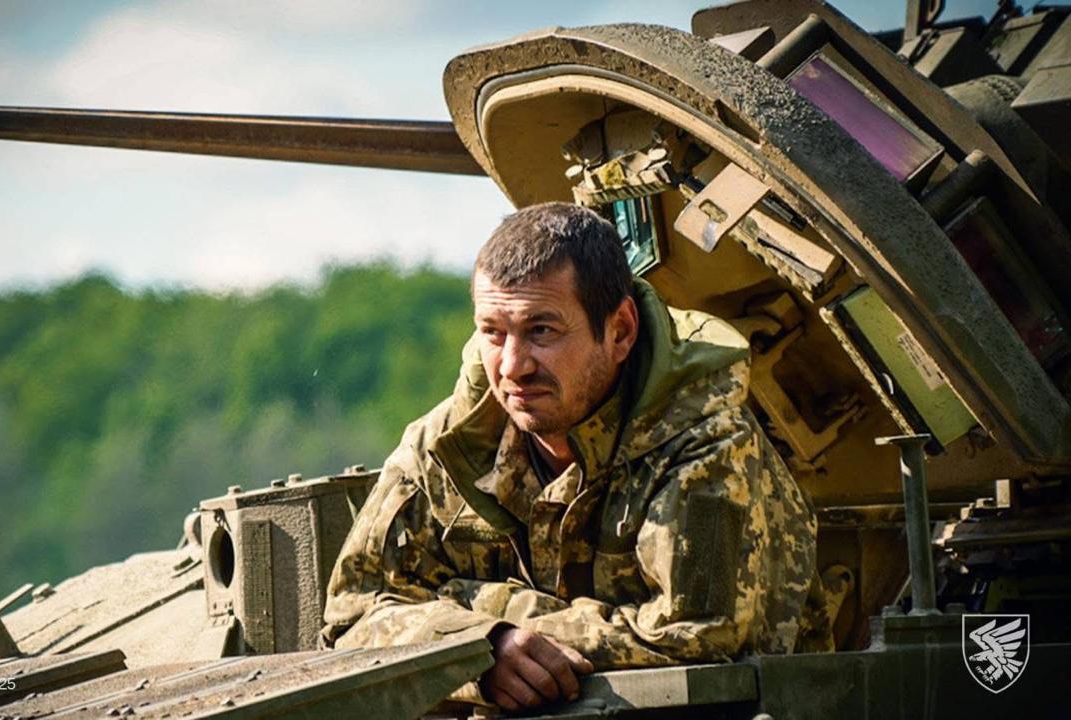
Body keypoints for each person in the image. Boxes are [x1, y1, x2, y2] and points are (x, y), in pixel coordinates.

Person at [322, 202, 830, 712]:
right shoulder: (447, 443)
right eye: (493, 332)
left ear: (621, 332)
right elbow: (350, 616)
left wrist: (484, 610)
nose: (513, 366)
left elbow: (695, 638)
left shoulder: (705, 443)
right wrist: (483, 648)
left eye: (542, 330)